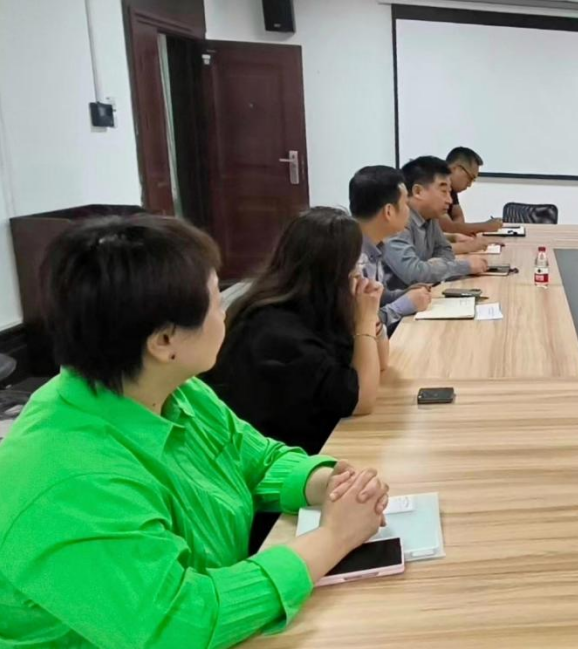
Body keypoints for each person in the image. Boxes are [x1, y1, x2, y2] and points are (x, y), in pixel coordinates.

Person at [0, 216, 391, 647]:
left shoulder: (173, 389)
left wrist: (330, 484)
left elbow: (258, 461)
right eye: (215, 300)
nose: (225, 312)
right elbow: (180, 625)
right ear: (164, 341)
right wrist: (334, 537)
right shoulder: (68, 480)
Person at [206, 207, 386, 456]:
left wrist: (371, 318)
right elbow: (361, 399)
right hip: (276, 458)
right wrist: (364, 321)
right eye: (355, 266)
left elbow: (380, 365)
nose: (360, 275)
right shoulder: (277, 329)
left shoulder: (318, 304)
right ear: (333, 272)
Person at [383, 155, 490, 290]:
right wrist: (466, 266)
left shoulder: (430, 217)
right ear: (418, 191)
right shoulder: (396, 221)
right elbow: (414, 273)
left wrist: (431, 268)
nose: (449, 200)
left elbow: (445, 250)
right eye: (444, 191)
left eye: (450, 192)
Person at [349, 165, 432, 328]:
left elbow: (375, 297)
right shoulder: (349, 257)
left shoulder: (376, 245)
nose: (409, 211)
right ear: (389, 211)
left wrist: (403, 294)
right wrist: (401, 306)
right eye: (406, 204)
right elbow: (354, 325)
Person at [439, 146, 502, 238]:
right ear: (455, 169)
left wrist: (457, 229)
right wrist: (485, 226)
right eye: (470, 178)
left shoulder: (451, 188)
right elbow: (448, 228)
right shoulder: (436, 186)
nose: (469, 185)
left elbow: (458, 216)